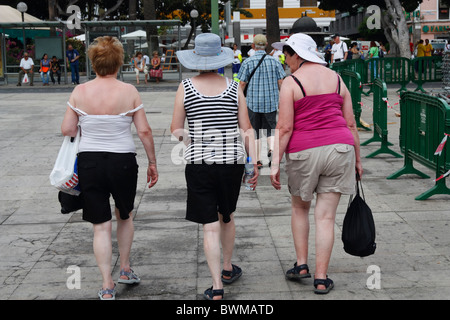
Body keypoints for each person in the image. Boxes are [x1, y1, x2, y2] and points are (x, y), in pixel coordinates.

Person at [61, 36, 159, 300]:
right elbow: (145, 131)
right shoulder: (129, 91)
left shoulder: (79, 92)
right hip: (122, 162)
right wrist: (152, 162)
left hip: (90, 162)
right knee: (124, 215)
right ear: (119, 63)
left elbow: (68, 129)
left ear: (94, 64)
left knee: (100, 225)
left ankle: (107, 285)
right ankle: (125, 268)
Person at [270, 33, 363, 294]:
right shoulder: (336, 79)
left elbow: (285, 127)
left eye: (287, 55)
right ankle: (321, 278)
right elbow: (351, 123)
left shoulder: (291, 83)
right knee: (325, 217)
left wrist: (274, 163)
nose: (285, 60)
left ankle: (301, 265)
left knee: (300, 208)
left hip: (304, 152)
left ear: (298, 54)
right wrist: (357, 159)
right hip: (340, 149)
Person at [172, 33, 259, 300]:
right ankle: (227, 267)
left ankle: (216, 287)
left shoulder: (185, 87)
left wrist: (193, 139)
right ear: (220, 59)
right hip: (231, 162)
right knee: (227, 214)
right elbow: (247, 129)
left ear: (196, 59)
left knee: (209, 225)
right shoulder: (234, 87)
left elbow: (176, 129)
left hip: (199, 163)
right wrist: (252, 163)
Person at [237, 34, 286, 168]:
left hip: (253, 103)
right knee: (271, 129)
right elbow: (281, 82)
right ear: (266, 46)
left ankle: (257, 160)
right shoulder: (275, 61)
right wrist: (283, 99)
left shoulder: (247, 62)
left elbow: (241, 83)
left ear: (253, 46)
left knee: (255, 130)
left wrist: (238, 100)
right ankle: (272, 150)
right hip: (271, 102)